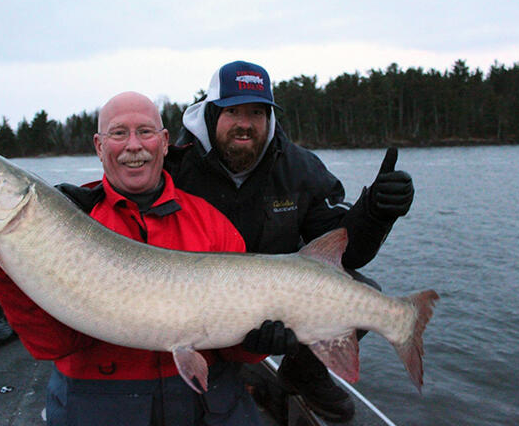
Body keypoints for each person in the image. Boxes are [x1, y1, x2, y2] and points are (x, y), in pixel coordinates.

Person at [0, 91, 269, 426]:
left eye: (146, 132)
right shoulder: (70, 221)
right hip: (100, 402)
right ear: (99, 145)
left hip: (203, 401)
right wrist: (5, 263)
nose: (133, 145)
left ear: (165, 142)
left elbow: (232, 346)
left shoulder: (211, 224)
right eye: (119, 133)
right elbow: (54, 344)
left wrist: (258, 344)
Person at [165, 61, 415, 422]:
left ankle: (304, 372)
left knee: (359, 288)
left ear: (269, 118)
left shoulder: (300, 168)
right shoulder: (176, 167)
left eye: (256, 112)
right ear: (211, 113)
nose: (245, 123)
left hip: (276, 304)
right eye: (233, 111)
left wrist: (376, 212)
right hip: (194, 307)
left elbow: (347, 255)